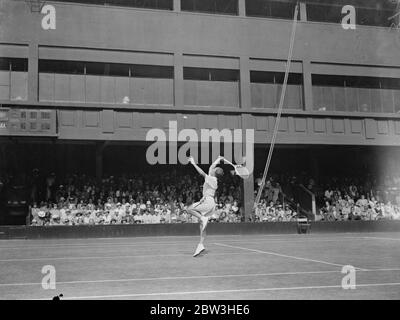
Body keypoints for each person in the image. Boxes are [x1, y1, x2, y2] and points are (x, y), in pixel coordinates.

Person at [185, 155, 225, 257]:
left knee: (188, 209)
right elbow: (212, 166)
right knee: (202, 226)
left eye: (215, 169)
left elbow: (202, 173)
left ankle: (202, 218)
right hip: (211, 203)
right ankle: (201, 245)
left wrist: (193, 163)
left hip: (208, 202)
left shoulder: (212, 179)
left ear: (214, 173)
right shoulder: (213, 177)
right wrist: (218, 159)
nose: (213, 168)